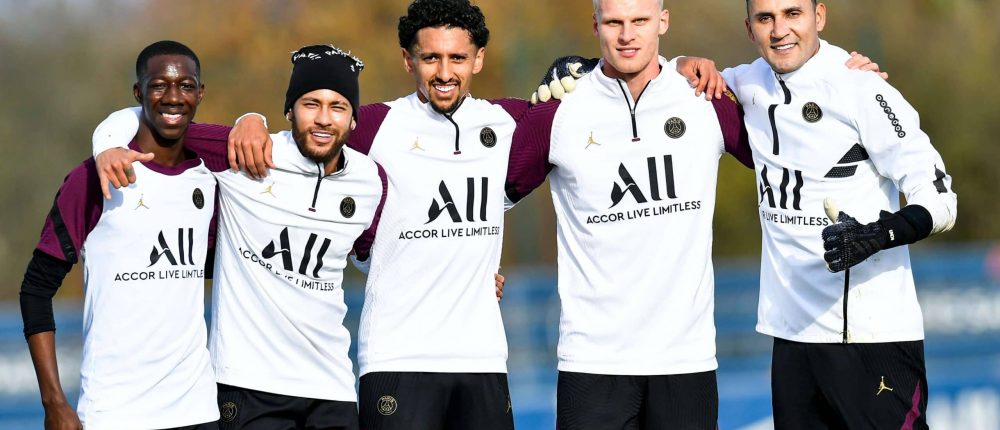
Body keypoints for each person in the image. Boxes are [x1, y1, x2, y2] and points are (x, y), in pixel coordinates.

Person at [94, 44, 388, 429]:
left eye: (338, 107)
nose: (323, 119)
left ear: (353, 121)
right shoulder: (246, 153)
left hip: (332, 387)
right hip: (247, 385)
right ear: (290, 110)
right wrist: (107, 146)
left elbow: (372, 257)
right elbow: (158, 119)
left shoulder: (370, 181)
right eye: (310, 104)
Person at [503, 0, 754, 428]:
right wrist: (477, 269)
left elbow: (787, 151)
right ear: (595, 24)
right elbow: (490, 197)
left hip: (686, 360)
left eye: (639, 20)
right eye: (614, 22)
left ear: (663, 21)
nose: (626, 35)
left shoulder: (704, 97)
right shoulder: (558, 110)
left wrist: (845, 76)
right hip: (591, 362)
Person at [720, 0, 957, 428]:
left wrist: (879, 234)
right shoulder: (745, 82)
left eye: (793, 13)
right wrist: (688, 64)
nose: (779, 30)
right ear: (749, 28)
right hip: (792, 340)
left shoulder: (860, 87)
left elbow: (941, 198)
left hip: (871, 337)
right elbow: (659, 73)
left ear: (819, 16)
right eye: (765, 18)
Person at [19, 40, 220, 430]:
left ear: (200, 93)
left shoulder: (208, 180)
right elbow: (36, 289)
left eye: (185, 86)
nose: (173, 97)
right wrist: (54, 402)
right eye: (159, 85)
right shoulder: (92, 178)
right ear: (138, 93)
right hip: (114, 412)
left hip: (198, 412)